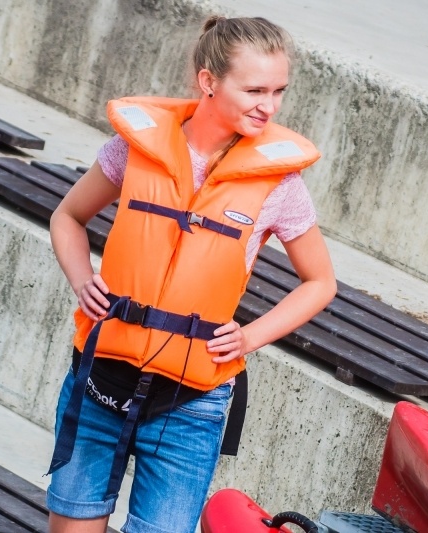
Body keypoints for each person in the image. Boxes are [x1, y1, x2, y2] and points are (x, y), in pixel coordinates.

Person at [46, 15, 336, 533]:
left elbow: (321, 282)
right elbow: (67, 216)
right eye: (254, 90)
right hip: (100, 381)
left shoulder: (281, 184)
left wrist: (249, 337)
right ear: (208, 81)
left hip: (190, 406)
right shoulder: (136, 147)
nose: (269, 106)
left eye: (278, 91)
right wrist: (81, 278)